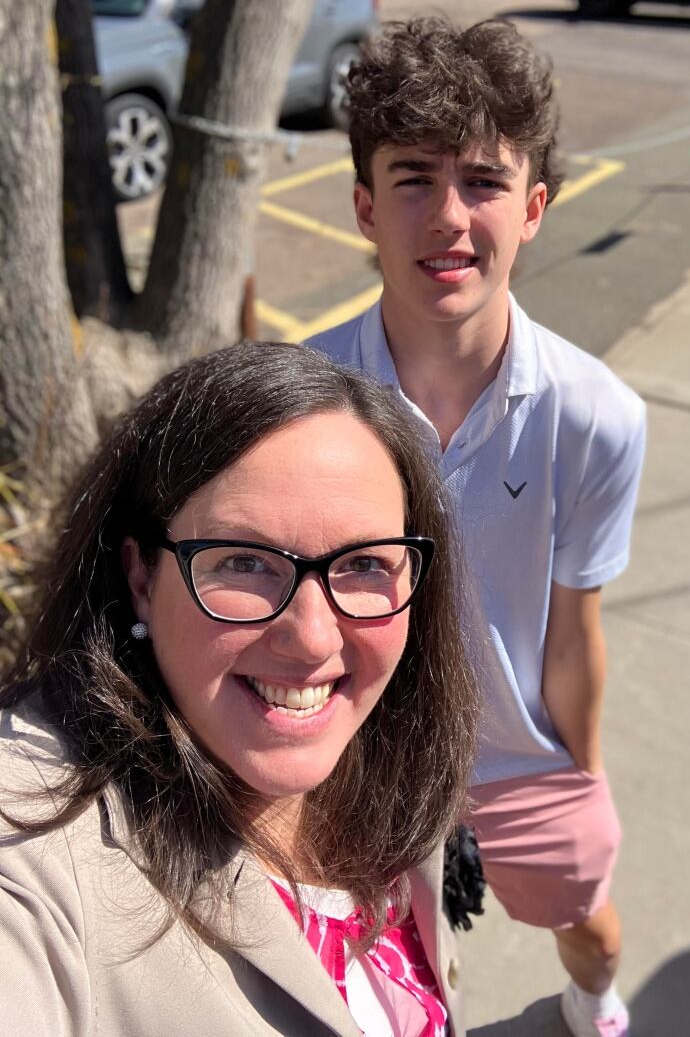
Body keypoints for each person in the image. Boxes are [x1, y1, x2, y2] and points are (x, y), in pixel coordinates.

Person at [308, 18, 647, 1037]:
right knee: (391, 982)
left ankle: (596, 1006)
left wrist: (578, 775)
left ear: (536, 206)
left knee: (590, 927)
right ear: (365, 204)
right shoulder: (309, 397)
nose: (448, 216)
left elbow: (574, 626)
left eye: (485, 182)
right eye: (413, 177)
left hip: (518, 752)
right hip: (361, 747)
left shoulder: (597, 417)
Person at [0, 341, 479, 1037]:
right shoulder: (35, 851)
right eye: (245, 562)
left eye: (365, 564)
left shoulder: (387, 777)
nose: (314, 636)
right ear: (141, 579)